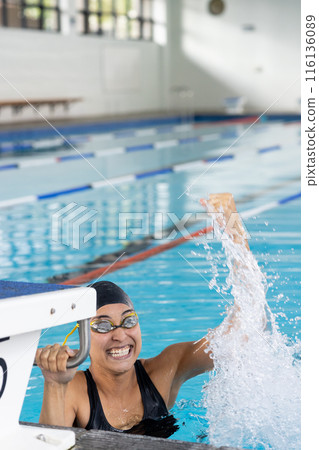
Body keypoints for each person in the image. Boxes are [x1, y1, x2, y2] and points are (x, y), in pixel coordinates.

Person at [36, 193, 248, 437]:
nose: (120, 335)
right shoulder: (73, 389)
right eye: (103, 326)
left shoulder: (165, 371)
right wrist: (54, 384)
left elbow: (241, 336)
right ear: (82, 336)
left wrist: (234, 231)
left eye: (129, 321)